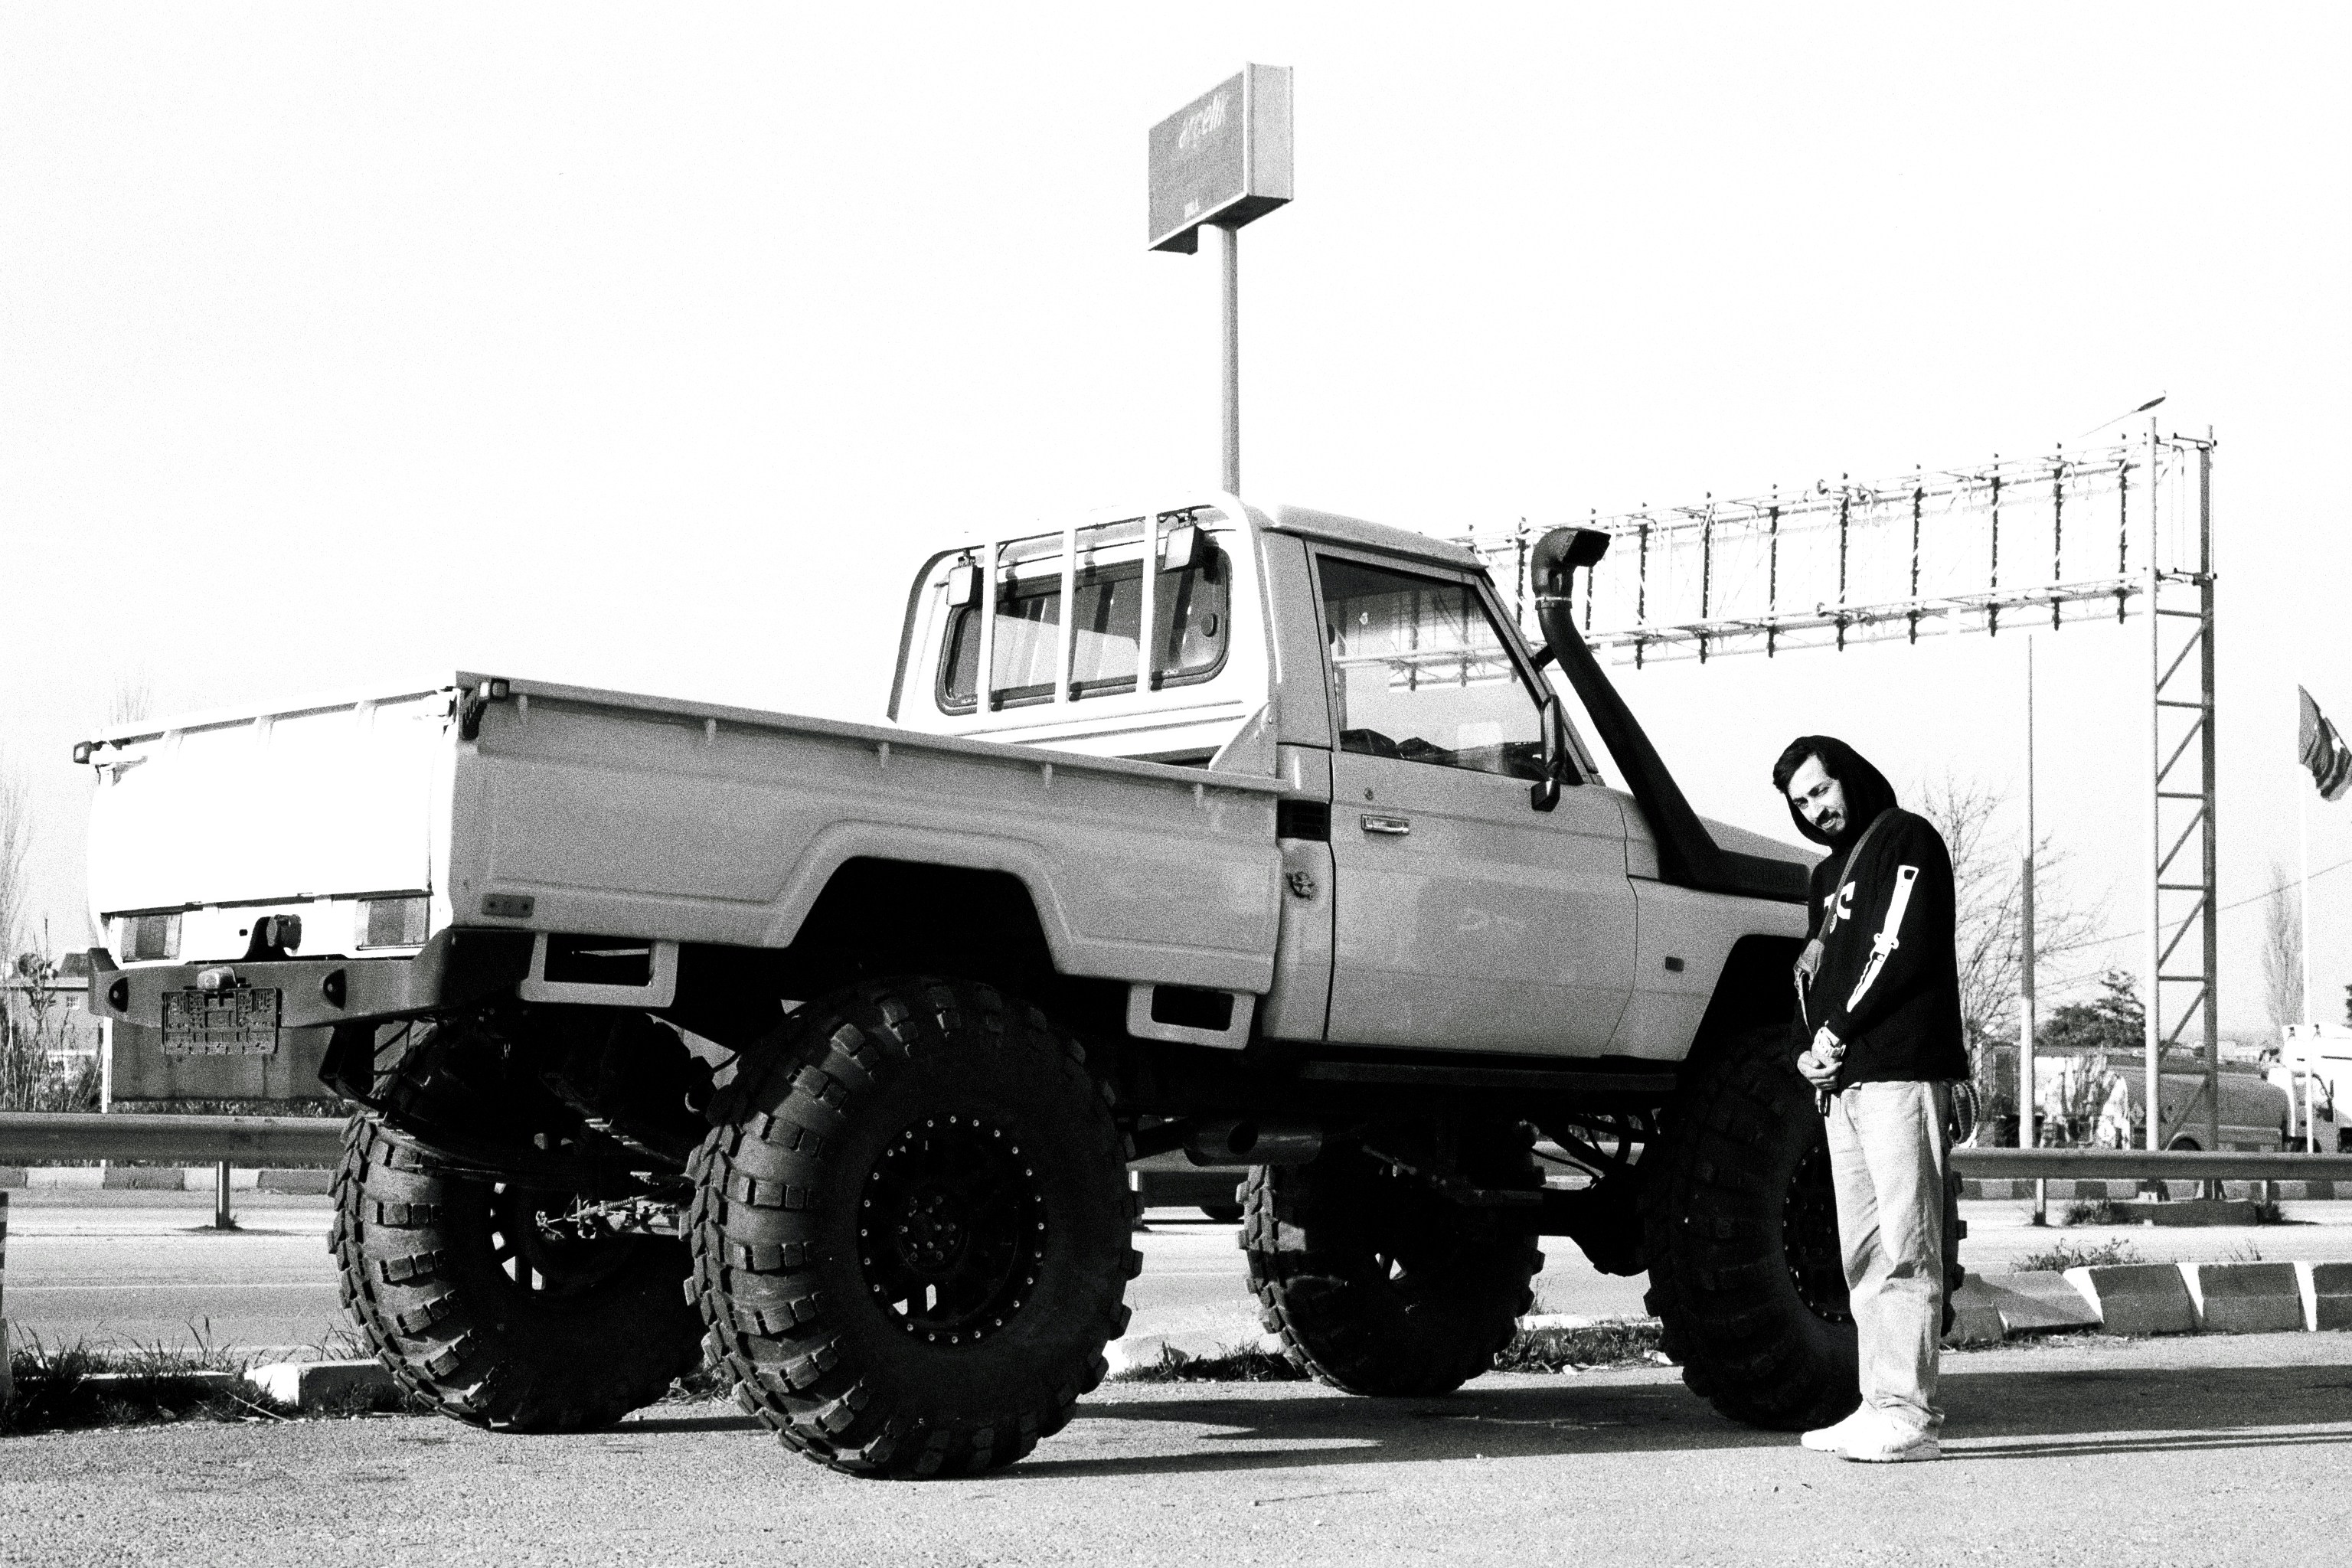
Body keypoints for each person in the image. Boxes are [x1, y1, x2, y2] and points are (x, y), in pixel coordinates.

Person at [1773, 735, 1967, 1464]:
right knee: (1863, 1255)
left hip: (1898, 1073)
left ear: (1848, 777)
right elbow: (1815, 974)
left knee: (1907, 1248)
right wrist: (1807, 1048)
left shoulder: (1905, 838)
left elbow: (1898, 945)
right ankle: (1876, 1403)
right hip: (1843, 1084)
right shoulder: (1826, 876)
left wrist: (1839, 1031)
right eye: (1801, 802)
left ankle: (1911, 1416)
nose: (1815, 810)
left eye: (1821, 790)